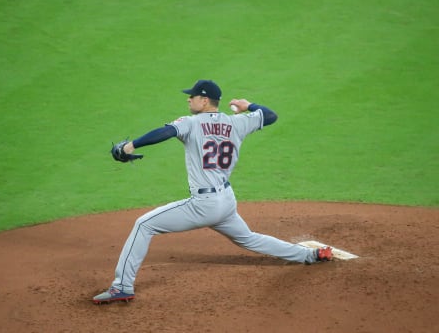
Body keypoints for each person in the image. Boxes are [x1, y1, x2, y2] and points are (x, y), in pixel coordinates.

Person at [93, 80, 333, 304]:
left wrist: (129, 146)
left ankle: (122, 286)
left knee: (144, 225)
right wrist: (248, 105)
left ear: (205, 100)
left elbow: (164, 132)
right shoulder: (237, 122)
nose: (189, 100)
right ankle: (309, 256)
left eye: (193, 96)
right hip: (226, 201)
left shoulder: (190, 122)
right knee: (249, 238)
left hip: (204, 204)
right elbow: (270, 116)